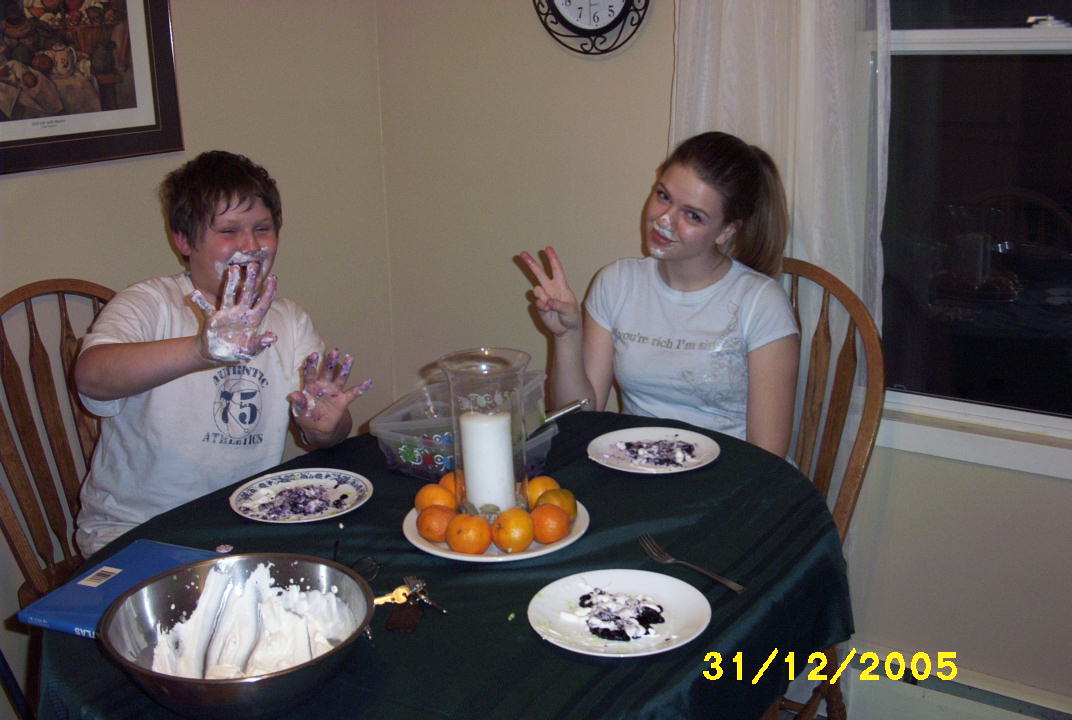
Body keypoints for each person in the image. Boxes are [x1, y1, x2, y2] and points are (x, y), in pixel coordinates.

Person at [74, 150, 370, 554]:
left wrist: (326, 425)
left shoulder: (289, 320)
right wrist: (201, 350)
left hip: (246, 523)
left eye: (262, 229)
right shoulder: (151, 303)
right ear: (183, 240)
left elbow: (323, 434)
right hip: (136, 531)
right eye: (229, 232)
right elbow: (92, 376)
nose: (250, 246)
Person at [520, 131, 799, 457]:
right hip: (636, 472)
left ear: (726, 230)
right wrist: (567, 336)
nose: (665, 220)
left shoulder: (761, 303)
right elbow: (579, 417)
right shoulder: (616, 282)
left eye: (693, 215)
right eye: (664, 196)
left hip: (730, 482)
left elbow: (766, 457)